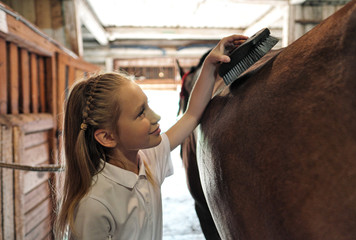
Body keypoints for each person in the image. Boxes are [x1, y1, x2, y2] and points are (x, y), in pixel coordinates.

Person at [54, 34, 248, 240]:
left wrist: (209, 64)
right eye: (140, 113)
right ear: (107, 137)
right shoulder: (93, 204)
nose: (156, 117)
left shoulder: (147, 160)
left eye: (148, 106)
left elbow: (191, 115)